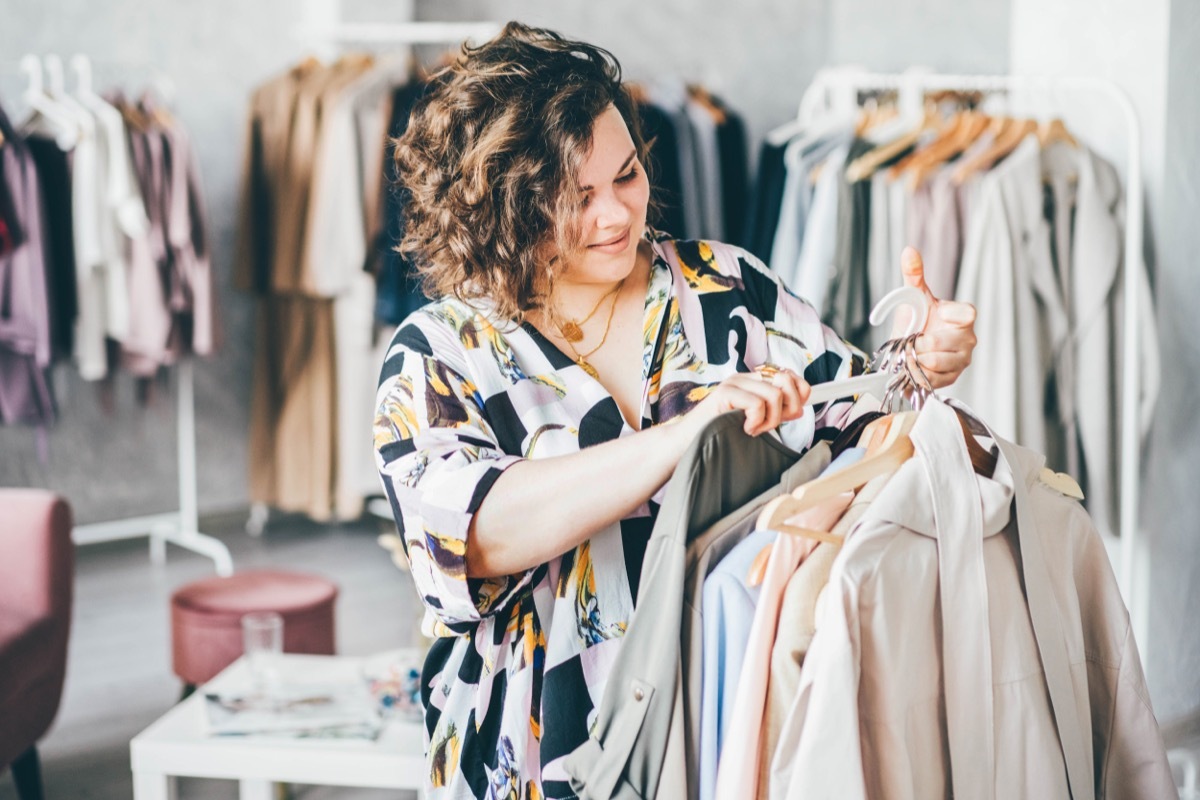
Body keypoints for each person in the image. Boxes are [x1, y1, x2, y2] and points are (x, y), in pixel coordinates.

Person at [373, 21, 978, 800]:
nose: (617, 215)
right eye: (577, 199)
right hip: (529, 753)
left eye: (626, 175)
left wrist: (920, 363)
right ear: (503, 208)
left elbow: (859, 420)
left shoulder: (726, 290)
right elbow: (472, 535)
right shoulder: (440, 354)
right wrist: (683, 438)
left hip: (719, 722)